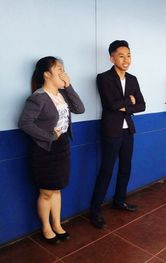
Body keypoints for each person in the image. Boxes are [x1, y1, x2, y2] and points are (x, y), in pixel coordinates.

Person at [18, 56, 85, 244]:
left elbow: (80, 109)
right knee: (46, 192)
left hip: (62, 147)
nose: (63, 73)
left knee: (57, 189)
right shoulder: (37, 97)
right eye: (59, 70)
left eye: (63, 69)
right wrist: (49, 136)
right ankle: (46, 227)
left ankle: (57, 224)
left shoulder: (61, 95)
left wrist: (68, 86)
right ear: (47, 74)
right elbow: (24, 123)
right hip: (44, 150)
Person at [89, 40, 145, 229]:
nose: (126, 59)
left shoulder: (133, 79)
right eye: (121, 55)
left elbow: (142, 105)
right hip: (111, 131)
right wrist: (129, 100)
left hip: (127, 130)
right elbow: (109, 105)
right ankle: (95, 211)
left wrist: (124, 104)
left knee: (125, 167)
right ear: (111, 57)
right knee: (106, 170)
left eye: (128, 55)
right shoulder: (103, 78)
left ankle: (119, 201)